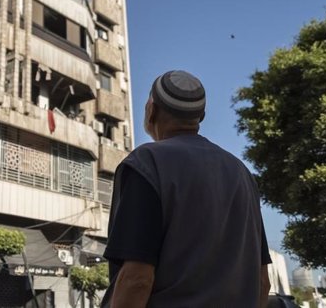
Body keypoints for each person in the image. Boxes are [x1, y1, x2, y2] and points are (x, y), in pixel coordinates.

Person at [101, 70, 272, 308]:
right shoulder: (242, 173)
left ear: (151, 110)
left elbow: (137, 280)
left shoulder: (147, 162)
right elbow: (262, 282)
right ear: (200, 116)